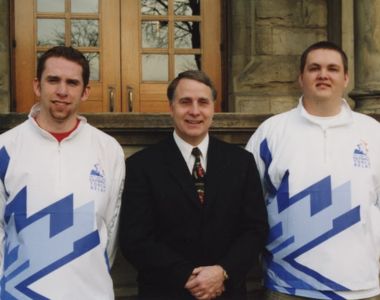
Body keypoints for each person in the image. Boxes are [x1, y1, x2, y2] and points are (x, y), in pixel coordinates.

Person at [246, 40, 380, 300]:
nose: (323, 75)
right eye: (314, 68)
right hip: (287, 285)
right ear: (301, 78)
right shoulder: (272, 131)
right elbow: (247, 205)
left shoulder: (373, 132)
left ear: (346, 78)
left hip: (360, 286)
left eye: (332, 68)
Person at [119, 70, 268, 300]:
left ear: (213, 109)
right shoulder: (142, 165)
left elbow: (255, 229)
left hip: (226, 292)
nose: (195, 111)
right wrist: (187, 276)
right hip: (165, 292)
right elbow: (135, 238)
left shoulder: (241, 162)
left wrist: (221, 272)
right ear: (171, 108)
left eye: (203, 102)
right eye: (185, 102)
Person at [0, 46, 125, 299]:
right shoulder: (6, 147)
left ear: (85, 91)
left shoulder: (108, 149)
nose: (62, 91)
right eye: (53, 80)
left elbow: (110, 230)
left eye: (72, 82)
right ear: (38, 85)